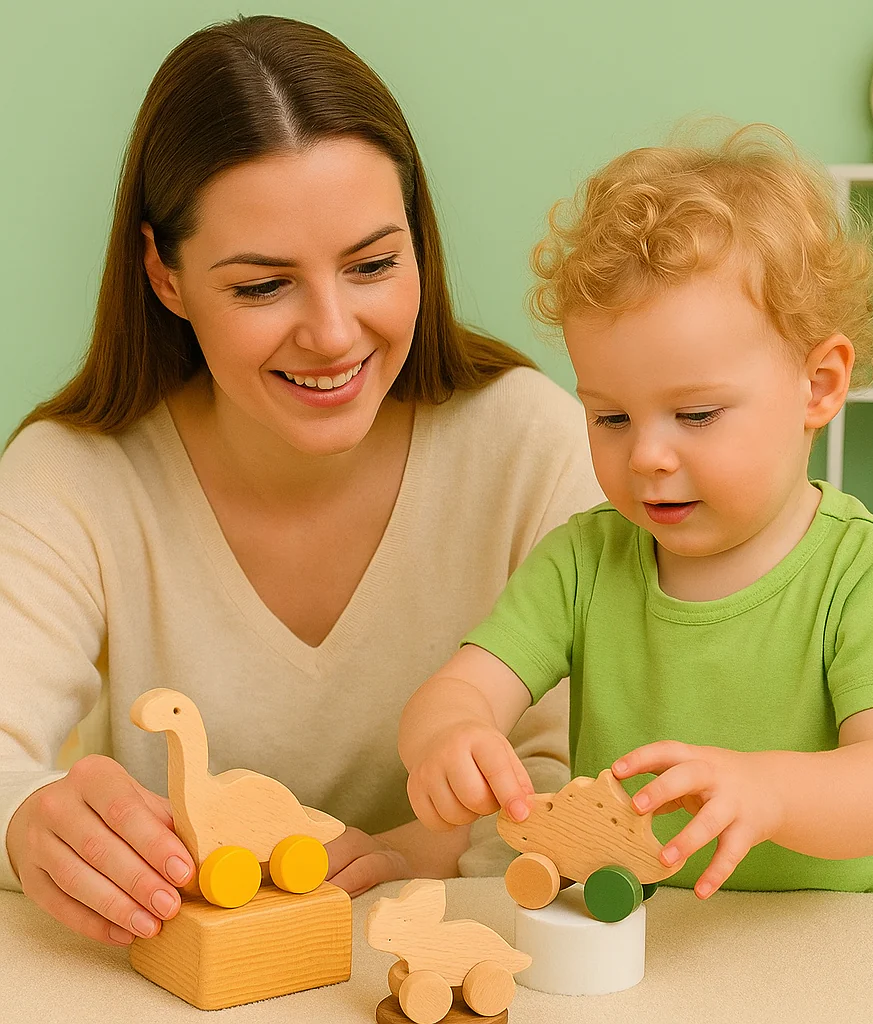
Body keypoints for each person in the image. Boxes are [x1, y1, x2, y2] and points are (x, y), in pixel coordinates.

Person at [0, 15, 601, 947]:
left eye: (372, 265)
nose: (332, 333)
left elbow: (588, 780)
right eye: (261, 286)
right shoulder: (73, 476)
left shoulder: (532, 447)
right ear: (164, 273)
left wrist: (425, 851)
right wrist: (23, 824)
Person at [398, 125, 873, 898]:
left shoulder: (868, 571)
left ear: (819, 384)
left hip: (835, 937)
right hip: (642, 931)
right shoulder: (583, 561)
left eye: (695, 415)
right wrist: (448, 737)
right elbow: (460, 689)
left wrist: (771, 793)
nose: (646, 458)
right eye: (610, 418)